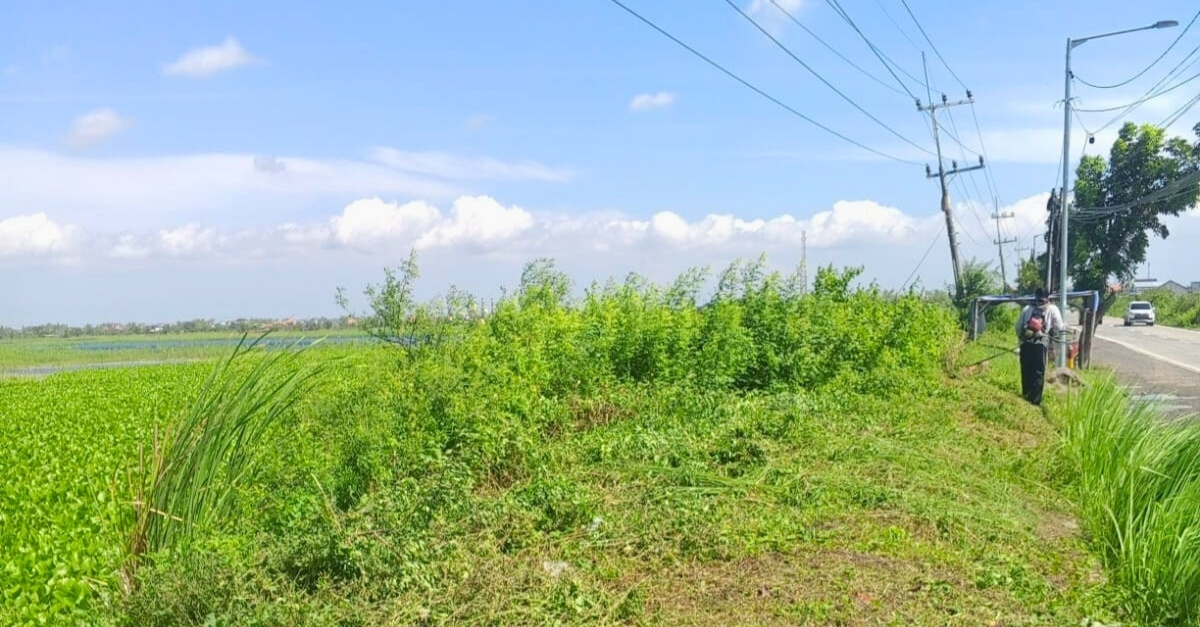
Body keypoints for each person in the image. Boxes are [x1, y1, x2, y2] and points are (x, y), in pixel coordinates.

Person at [1014, 287, 1064, 406]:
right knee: (1038, 372)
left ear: (1035, 296)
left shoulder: (1027, 308)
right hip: (1040, 345)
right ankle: (1035, 400)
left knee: (1026, 370)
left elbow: (1018, 326)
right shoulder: (1052, 309)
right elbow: (1059, 327)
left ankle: (1025, 395)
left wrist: (1021, 339)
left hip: (1026, 344)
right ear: (1048, 297)